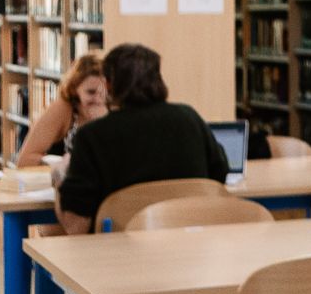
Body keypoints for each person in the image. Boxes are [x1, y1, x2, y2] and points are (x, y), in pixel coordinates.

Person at [56, 43, 230, 236]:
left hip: (116, 255)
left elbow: (75, 226)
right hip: (188, 247)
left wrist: (59, 178)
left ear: (107, 85)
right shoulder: (189, 119)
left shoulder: (92, 137)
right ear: (159, 80)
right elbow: (218, 176)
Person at [16, 51, 107, 167]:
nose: (99, 100)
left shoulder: (114, 107)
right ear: (74, 88)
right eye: (91, 92)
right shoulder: (63, 109)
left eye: (105, 92)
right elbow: (24, 160)